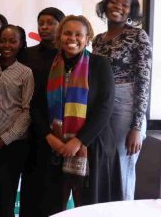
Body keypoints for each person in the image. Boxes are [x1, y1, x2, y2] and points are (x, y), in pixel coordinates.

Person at [32, 15, 121, 215]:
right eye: (67, 33)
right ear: (59, 36)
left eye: (78, 34)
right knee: (53, 206)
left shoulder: (100, 65)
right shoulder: (47, 67)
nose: (72, 38)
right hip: (54, 148)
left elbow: (104, 107)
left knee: (89, 207)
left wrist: (78, 141)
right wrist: (50, 138)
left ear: (87, 37)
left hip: (92, 147)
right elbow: (36, 106)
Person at [92, 0, 152, 200]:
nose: (118, 7)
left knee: (122, 166)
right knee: (103, 165)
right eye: (114, 1)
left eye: (124, 5)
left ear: (131, 11)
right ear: (105, 4)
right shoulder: (98, 39)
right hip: (101, 103)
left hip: (125, 104)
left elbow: (144, 81)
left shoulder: (137, 36)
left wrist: (137, 126)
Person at [20, 7, 65, 217]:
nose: (45, 27)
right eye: (41, 23)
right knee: (31, 184)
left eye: (50, 23)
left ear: (61, 25)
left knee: (55, 187)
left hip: (60, 129)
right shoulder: (27, 55)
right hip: (31, 126)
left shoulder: (69, 56)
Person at [0, 25, 34, 217]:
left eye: (12, 41)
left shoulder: (25, 73)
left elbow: (27, 110)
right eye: (3, 40)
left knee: (6, 197)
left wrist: (7, 137)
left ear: (21, 44)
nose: (7, 45)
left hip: (12, 145)